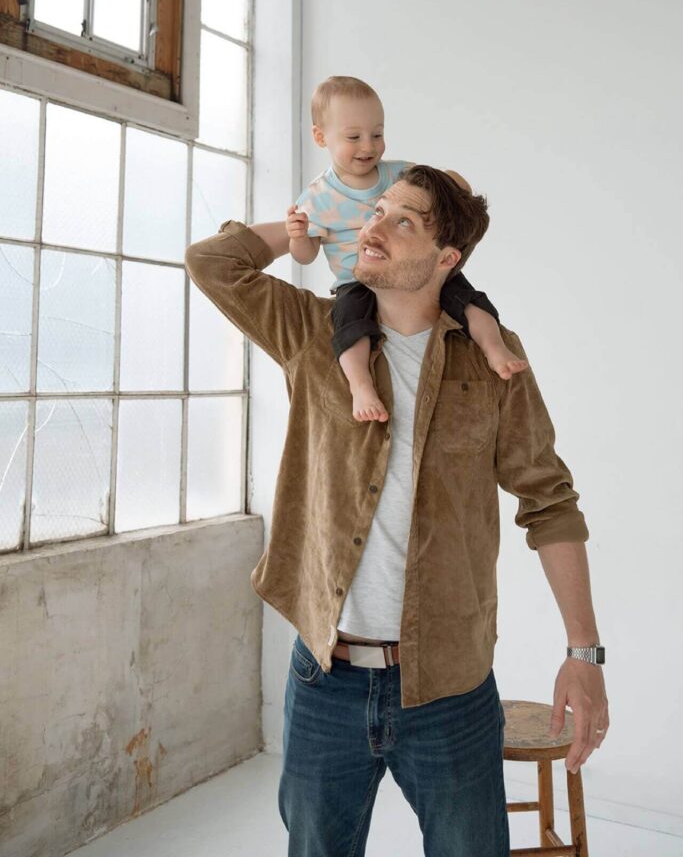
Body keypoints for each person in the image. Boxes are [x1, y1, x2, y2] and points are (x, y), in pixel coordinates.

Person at [184, 164, 609, 857]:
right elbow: (211, 262)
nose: (374, 226)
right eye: (376, 209)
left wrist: (583, 653)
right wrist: (300, 232)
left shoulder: (491, 359)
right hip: (325, 677)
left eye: (402, 220)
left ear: (448, 259)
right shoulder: (311, 331)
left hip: (450, 686)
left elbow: (549, 500)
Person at [287, 75, 527, 422]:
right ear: (321, 137)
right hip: (355, 280)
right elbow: (306, 255)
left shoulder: (399, 174)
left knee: (470, 301)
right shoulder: (317, 198)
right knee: (350, 328)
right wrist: (297, 237)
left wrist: (455, 182)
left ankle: (493, 348)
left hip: (420, 273)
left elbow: (443, 188)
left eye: (377, 134)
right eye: (354, 137)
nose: (368, 146)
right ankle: (360, 385)